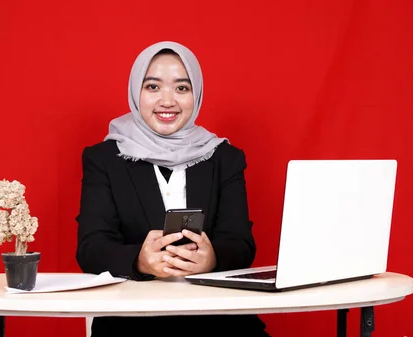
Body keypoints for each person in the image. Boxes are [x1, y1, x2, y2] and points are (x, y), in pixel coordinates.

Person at [75, 41, 270, 337]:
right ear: (136, 92)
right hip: (132, 323)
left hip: (218, 322)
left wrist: (212, 258)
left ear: (197, 95)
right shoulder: (104, 159)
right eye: (153, 87)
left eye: (181, 88)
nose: (168, 101)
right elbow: (91, 249)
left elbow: (241, 244)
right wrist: (140, 261)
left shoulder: (224, 158)